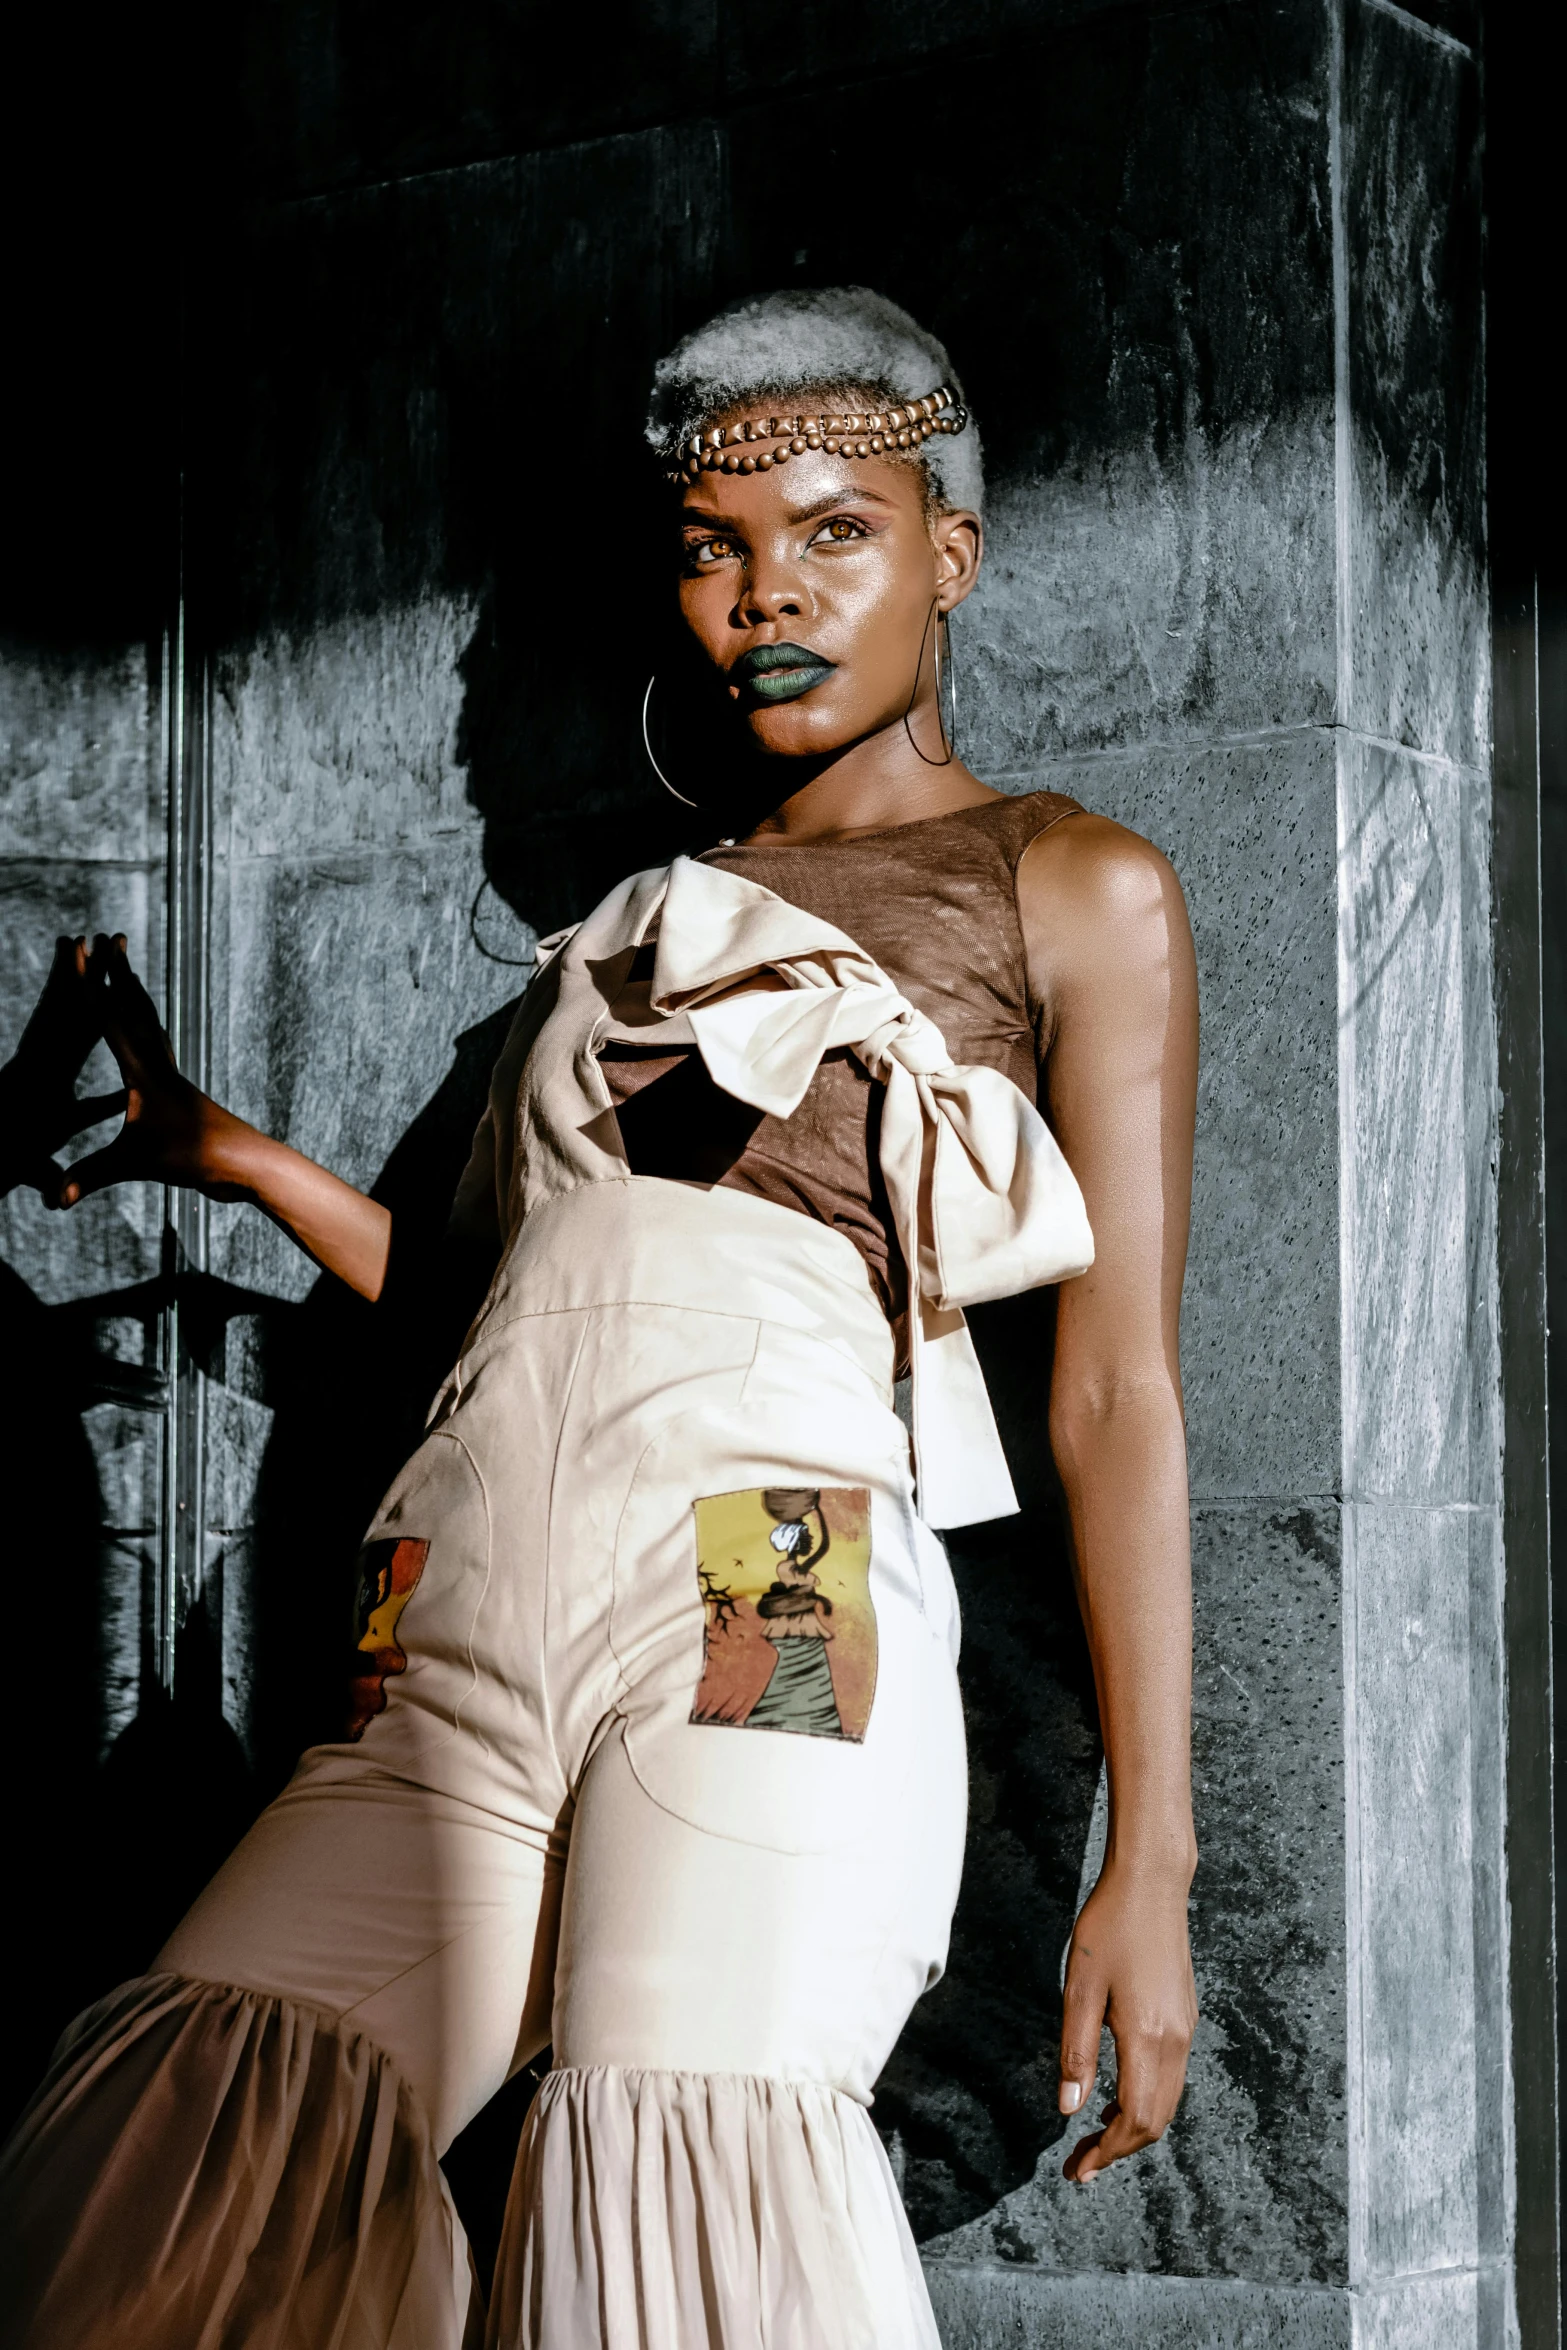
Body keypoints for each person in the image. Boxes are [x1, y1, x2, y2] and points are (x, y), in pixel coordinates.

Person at [0, 286, 1200, 2349]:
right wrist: (245, 1160)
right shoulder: (615, 936)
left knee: (680, 2178)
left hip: (771, 1568)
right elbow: (477, 1307)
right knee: (180, 2174)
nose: (768, 595)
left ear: (952, 551)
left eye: (834, 532)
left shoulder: (1067, 882)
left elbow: (1115, 1389)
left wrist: (1155, 1855)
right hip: (451, 1584)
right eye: (717, 548)